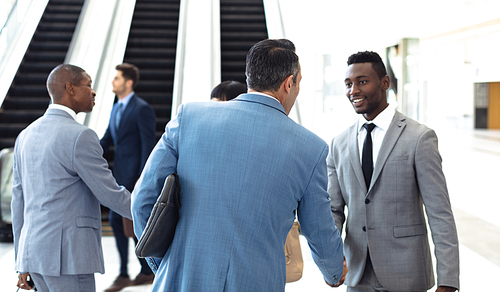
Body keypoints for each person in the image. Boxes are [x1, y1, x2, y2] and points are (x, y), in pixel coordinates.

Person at [131, 39, 345, 292]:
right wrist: (334, 271)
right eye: (299, 83)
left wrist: (165, 263)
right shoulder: (311, 148)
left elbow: (143, 200)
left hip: (181, 281)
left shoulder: (190, 117)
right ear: (289, 83)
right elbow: (318, 228)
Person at [327, 51, 459, 292]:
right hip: (357, 276)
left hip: (407, 274)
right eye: (348, 84)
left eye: (362, 81)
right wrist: (332, 262)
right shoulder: (339, 143)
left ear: (384, 83)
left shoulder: (419, 138)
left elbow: (440, 213)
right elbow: (334, 210)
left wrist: (448, 281)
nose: (353, 90)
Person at [11, 64, 132, 291]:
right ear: (71, 89)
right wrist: (154, 214)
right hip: (69, 259)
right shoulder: (80, 136)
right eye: (88, 85)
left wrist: (21, 260)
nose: (94, 92)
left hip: (35, 255)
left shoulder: (25, 135)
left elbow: (18, 201)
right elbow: (109, 193)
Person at [100, 63, 156, 291]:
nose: (113, 81)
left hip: (134, 177)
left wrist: (143, 179)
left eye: (117, 78)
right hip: (119, 176)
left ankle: (142, 270)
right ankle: (130, 271)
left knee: (131, 223)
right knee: (118, 221)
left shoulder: (141, 108)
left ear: (129, 82)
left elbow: (148, 145)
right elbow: (107, 139)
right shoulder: (116, 108)